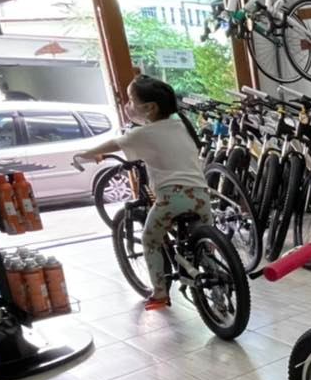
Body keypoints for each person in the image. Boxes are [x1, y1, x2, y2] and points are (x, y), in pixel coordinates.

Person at [74, 75, 210, 310]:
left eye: (131, 100)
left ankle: (159, 293)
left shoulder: (144, 133)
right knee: (202, 244)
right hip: (202, 194)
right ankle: (214, 270)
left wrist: (84, 155)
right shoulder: (182, 124)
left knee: (150, 240)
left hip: (172, 198)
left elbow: (115, 144)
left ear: (150, 107)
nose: (128, 105)